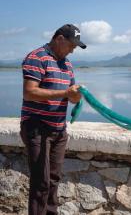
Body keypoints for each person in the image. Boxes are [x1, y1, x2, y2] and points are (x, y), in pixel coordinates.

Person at [20, 24, 86, 215]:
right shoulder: (37, 58)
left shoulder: (67, 65)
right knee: (41, 182)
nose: (73, 50)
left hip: (59, 130)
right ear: (59, 39)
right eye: (71, 45)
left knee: (53, 180)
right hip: (37, 128)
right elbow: (29, 92)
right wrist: (66, 92)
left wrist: (75, 96)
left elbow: (69, 96)